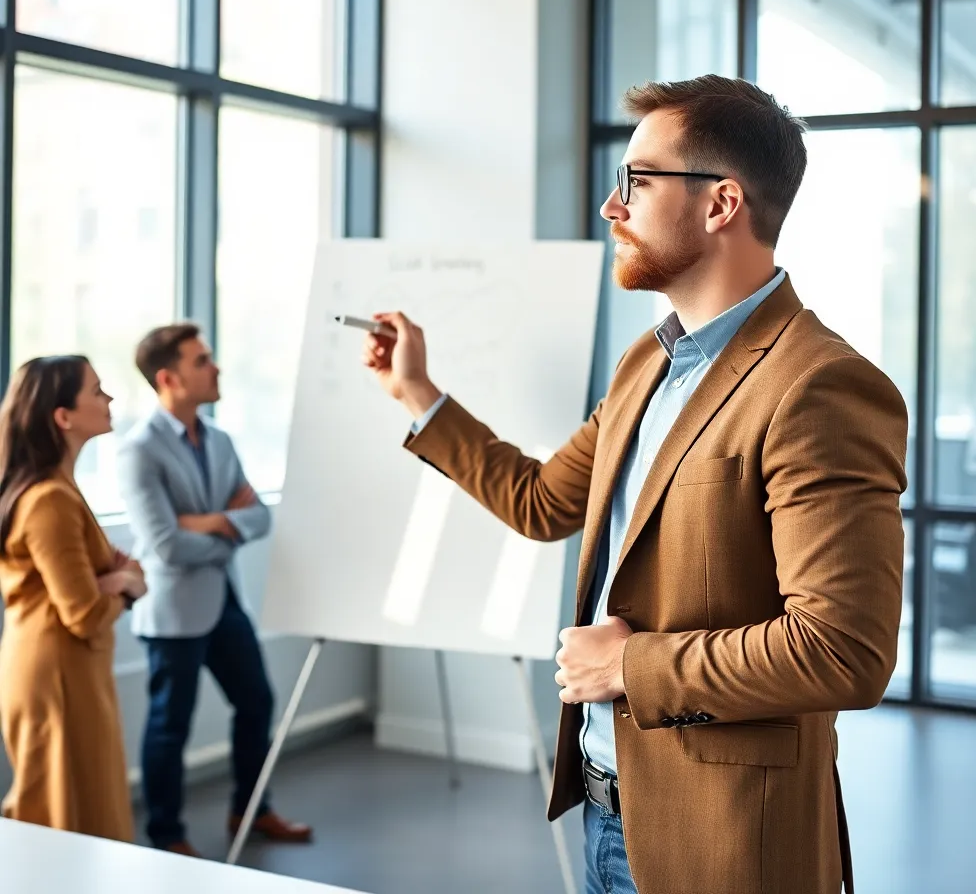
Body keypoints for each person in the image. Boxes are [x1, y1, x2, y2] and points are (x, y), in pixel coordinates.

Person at [361, 76, 908, 894]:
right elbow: (544, 502)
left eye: (636, 182)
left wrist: (631, 667)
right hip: (606, 810)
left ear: (722, 203)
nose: (613, 208)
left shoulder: (819, 385)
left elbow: (843, 651)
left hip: (724, 841)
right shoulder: (647, 364)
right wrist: (418, 395)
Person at [117, 324, 311, 857]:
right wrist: (226, 526)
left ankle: (251, 809)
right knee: (169, 728)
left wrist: (207, 523)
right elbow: (168, 547)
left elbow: (258, 518)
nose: (217, 367)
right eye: (203, 360)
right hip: (173, 611)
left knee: (257, 702)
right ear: (168, 378)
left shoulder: (221, 440)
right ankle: (166, 835)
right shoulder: (139, 450)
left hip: (225, 600)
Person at [0, 355, 146, 841]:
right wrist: (125, 586)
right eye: (97, 391)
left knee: (84, 804)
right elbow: (83, 613)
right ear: (62, 416)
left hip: (68, 667)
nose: (109, 400)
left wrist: (114, 576)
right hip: (56, 672)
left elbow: (93, 581)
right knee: (61, 815)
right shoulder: (50, 500)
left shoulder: (62, 489)